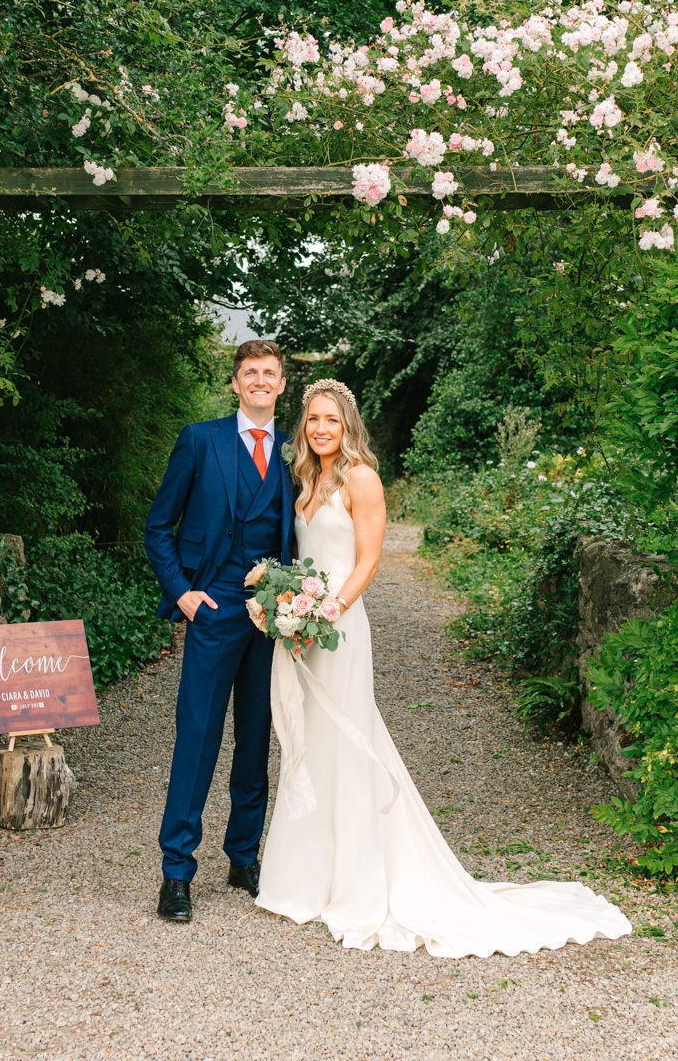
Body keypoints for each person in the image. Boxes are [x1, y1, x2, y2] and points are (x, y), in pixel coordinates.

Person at [256, 379, 633, 957]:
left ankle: (358, 886)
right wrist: (287, 611)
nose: (322, 429)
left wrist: (325, 612)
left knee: (349, 742)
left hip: (340, 629)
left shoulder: (361, 477)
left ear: (348, 424)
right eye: (313, 421)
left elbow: (369, 559)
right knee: (311, 742)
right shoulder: (305, 479)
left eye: (331, 420)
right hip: (305, 632)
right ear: (304, 426)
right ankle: (307, 879)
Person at [142, 340, 296, 923]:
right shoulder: (200, 440)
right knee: (199, 736)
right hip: (212, 609)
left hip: (272, 614)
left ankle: (243, 856)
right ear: (236, 383)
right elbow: (158, 526)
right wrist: (183, 593)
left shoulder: (292, 450)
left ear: (282, 386)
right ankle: (176, 871)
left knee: (256, 739)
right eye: (250, 373)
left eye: (270, 374)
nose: (260, 381)